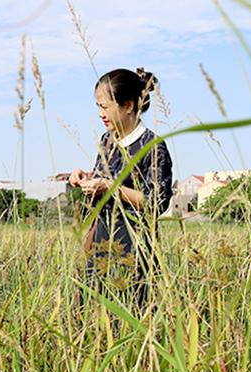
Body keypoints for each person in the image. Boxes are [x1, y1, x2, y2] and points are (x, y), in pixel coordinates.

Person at [69, 68, 173, 303]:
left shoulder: (152, 146)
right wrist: (84, 179)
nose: (100, 114)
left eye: (105, 107)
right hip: (101, 240)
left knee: (129, 312)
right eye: (98, 107)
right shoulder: (107, 141)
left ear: (128, 105)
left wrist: (110, 187)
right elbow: (103, 181)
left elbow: (157, 202)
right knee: (89, 311)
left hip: (134, 244)